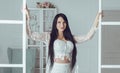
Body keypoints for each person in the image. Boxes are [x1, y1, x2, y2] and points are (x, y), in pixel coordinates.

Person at [25, 6, 101, 73]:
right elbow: (30, 34)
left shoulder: (71, 38)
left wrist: (97, 19)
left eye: (64, 22)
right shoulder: (49, 37)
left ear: (66, 24)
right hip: (56, 69)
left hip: (68, 69)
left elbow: (88, 37)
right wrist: (27, 17)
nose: (62, 25)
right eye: (59, 22)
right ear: (55, 24)